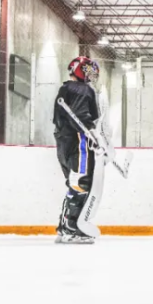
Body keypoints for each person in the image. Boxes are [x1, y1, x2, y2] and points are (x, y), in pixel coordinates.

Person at [53, 56, 101, 244]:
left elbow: (60, 119)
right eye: (88, 71)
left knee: (75, 183)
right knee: (81, 182)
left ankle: (65, 227)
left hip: (64, 141)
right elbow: (81, 116)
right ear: (79, 70)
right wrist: (92, 135)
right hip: (79, 141)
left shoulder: (66, 89)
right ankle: (73, 228)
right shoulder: (81, 89)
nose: (90, 76)